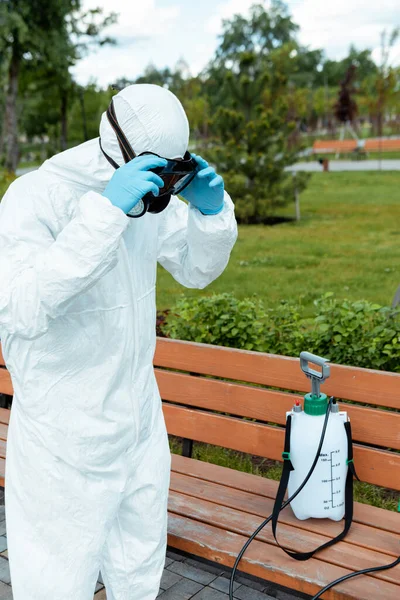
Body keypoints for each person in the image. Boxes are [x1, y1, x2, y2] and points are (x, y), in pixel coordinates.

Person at [0, 84, 237, 600]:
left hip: (138, 425)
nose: (163, 183)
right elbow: (21, 308)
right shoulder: (35, 197)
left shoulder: (148, 195)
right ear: (119, 143)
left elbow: (196, 270)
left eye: (173, 170)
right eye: (159, 168)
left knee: (139, 571)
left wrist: (212, 214)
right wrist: (104, 214)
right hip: (64, 439)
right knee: (55, 583)